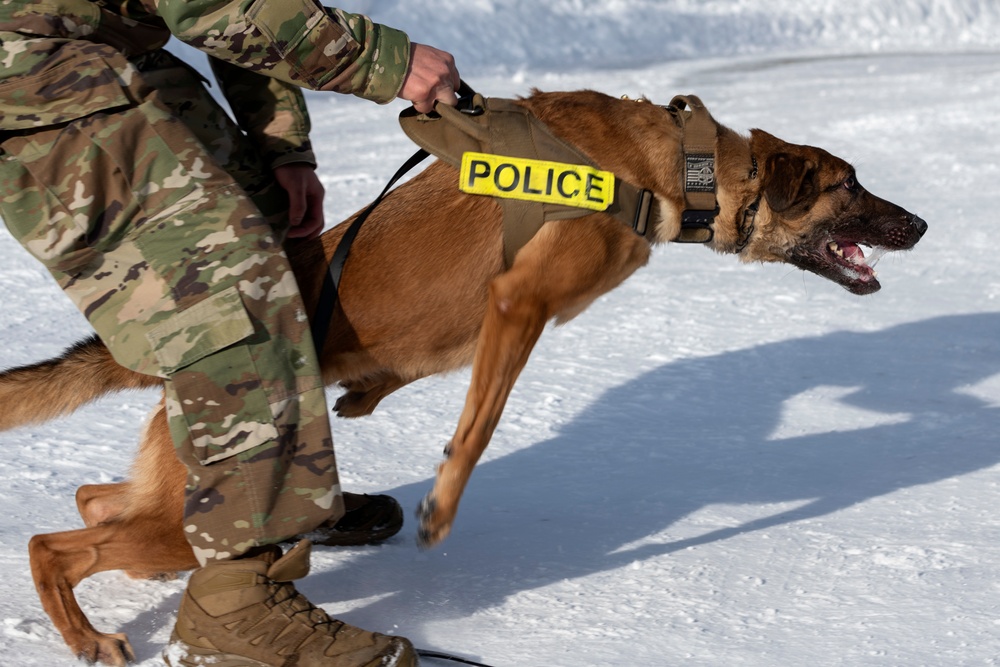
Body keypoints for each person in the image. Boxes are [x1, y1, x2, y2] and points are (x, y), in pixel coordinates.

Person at [0, 1, 460, 665]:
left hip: (99, 41)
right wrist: (385, 60)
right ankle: (237, 604)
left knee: (265, 238)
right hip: (32, 56)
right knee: (225, 287)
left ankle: (264, 492)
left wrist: (281, 144)